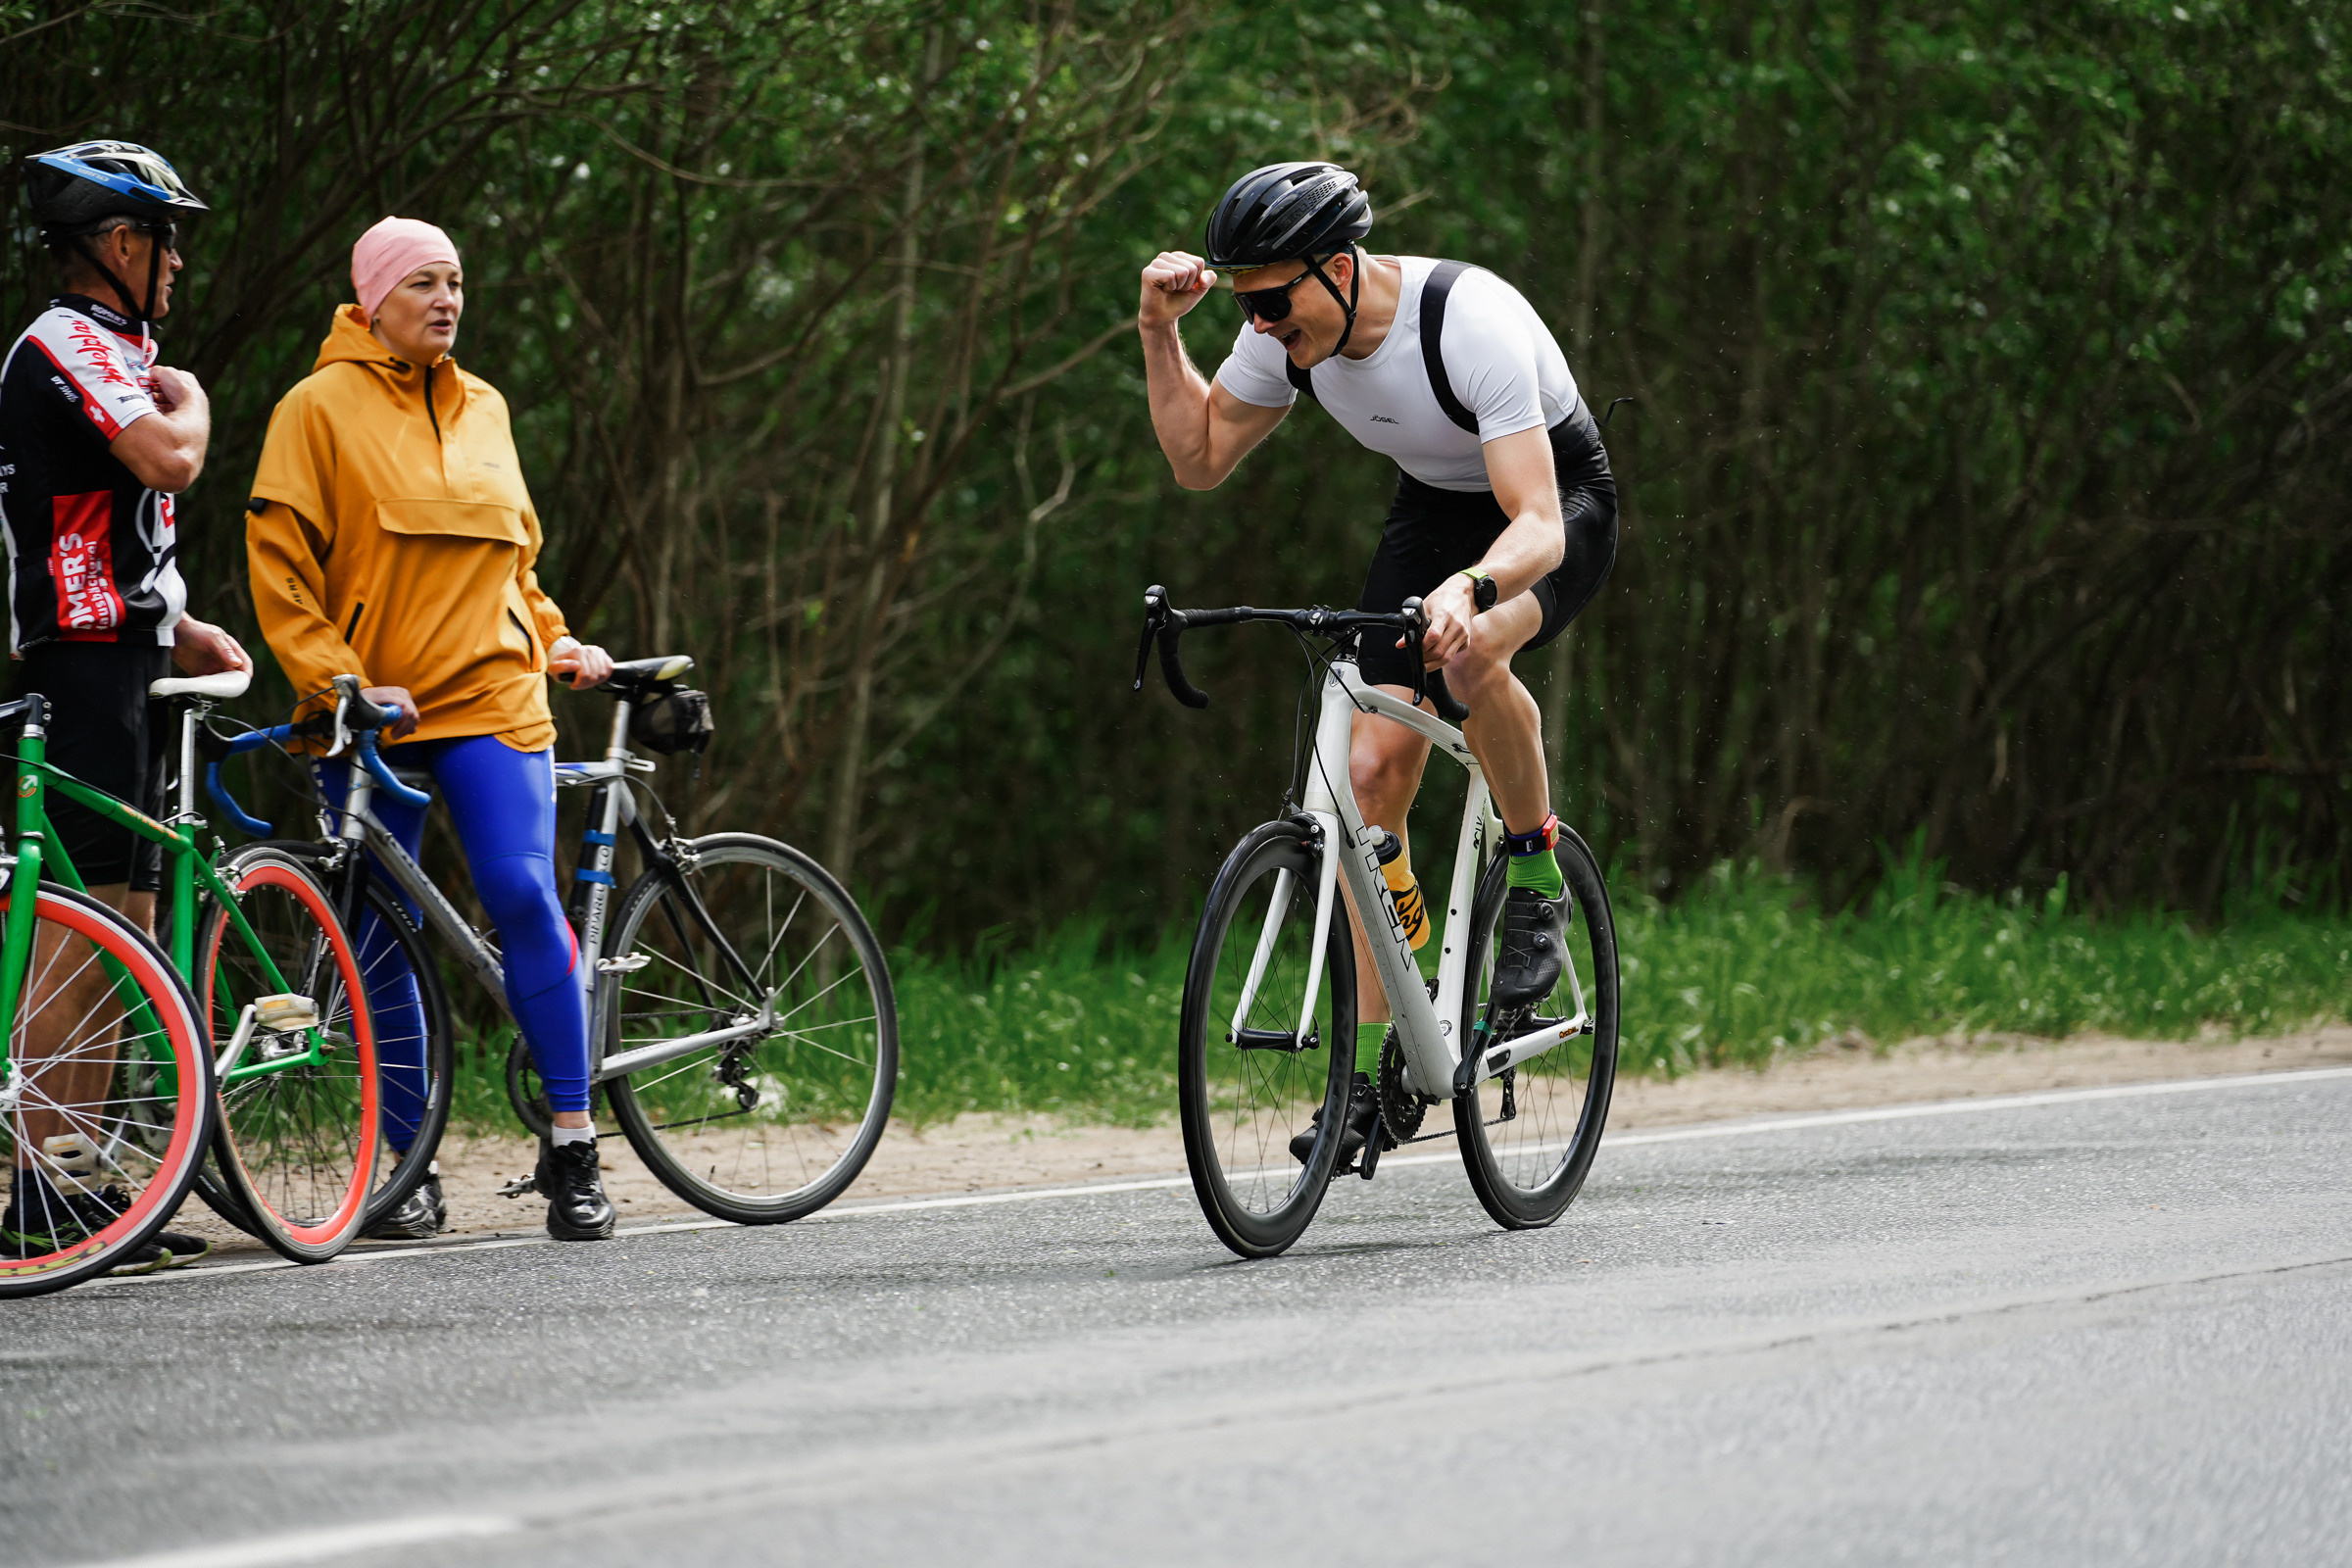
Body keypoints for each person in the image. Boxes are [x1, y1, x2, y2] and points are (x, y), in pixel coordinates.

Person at [1137, 162, 1618, 1164]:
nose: (1261, 325)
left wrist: (1474, 591)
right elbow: (1199, 456)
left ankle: (1534, 875)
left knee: (1477, 653)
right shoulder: (1286, 334)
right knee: (1363, 781)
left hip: (1554, 504)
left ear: (1342, 267)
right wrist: (1159, 332)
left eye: (1273, 301)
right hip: (1432, 510)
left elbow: (1534, 521)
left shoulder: (1467, 319)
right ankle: (1381, 1069)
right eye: (1245, 305)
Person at [245, 217, 618, 1242]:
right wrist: (335, 679)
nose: (446, 300)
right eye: (422, 283)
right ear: (371, 303)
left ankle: (575, 1147)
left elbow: (514, 567)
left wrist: (555, 636)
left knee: (520, 891)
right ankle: (403, 1166)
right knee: (376, 936)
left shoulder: (488, 407)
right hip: (371, 705)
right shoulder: (313, 410)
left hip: (493, 695)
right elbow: (279, 568)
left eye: (455, 282)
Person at [0, 141, 251, 1272]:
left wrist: (181, 618)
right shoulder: (67, 343)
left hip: (129, 650)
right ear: (119, 243)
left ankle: (93, 1184)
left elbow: (111, 522)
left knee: (129, 933)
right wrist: (194, 402)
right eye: (167, 238)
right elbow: (164, 461)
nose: (183, 261)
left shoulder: (111, 344)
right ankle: (39, 1183)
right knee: (77, 934)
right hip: (82, 663)